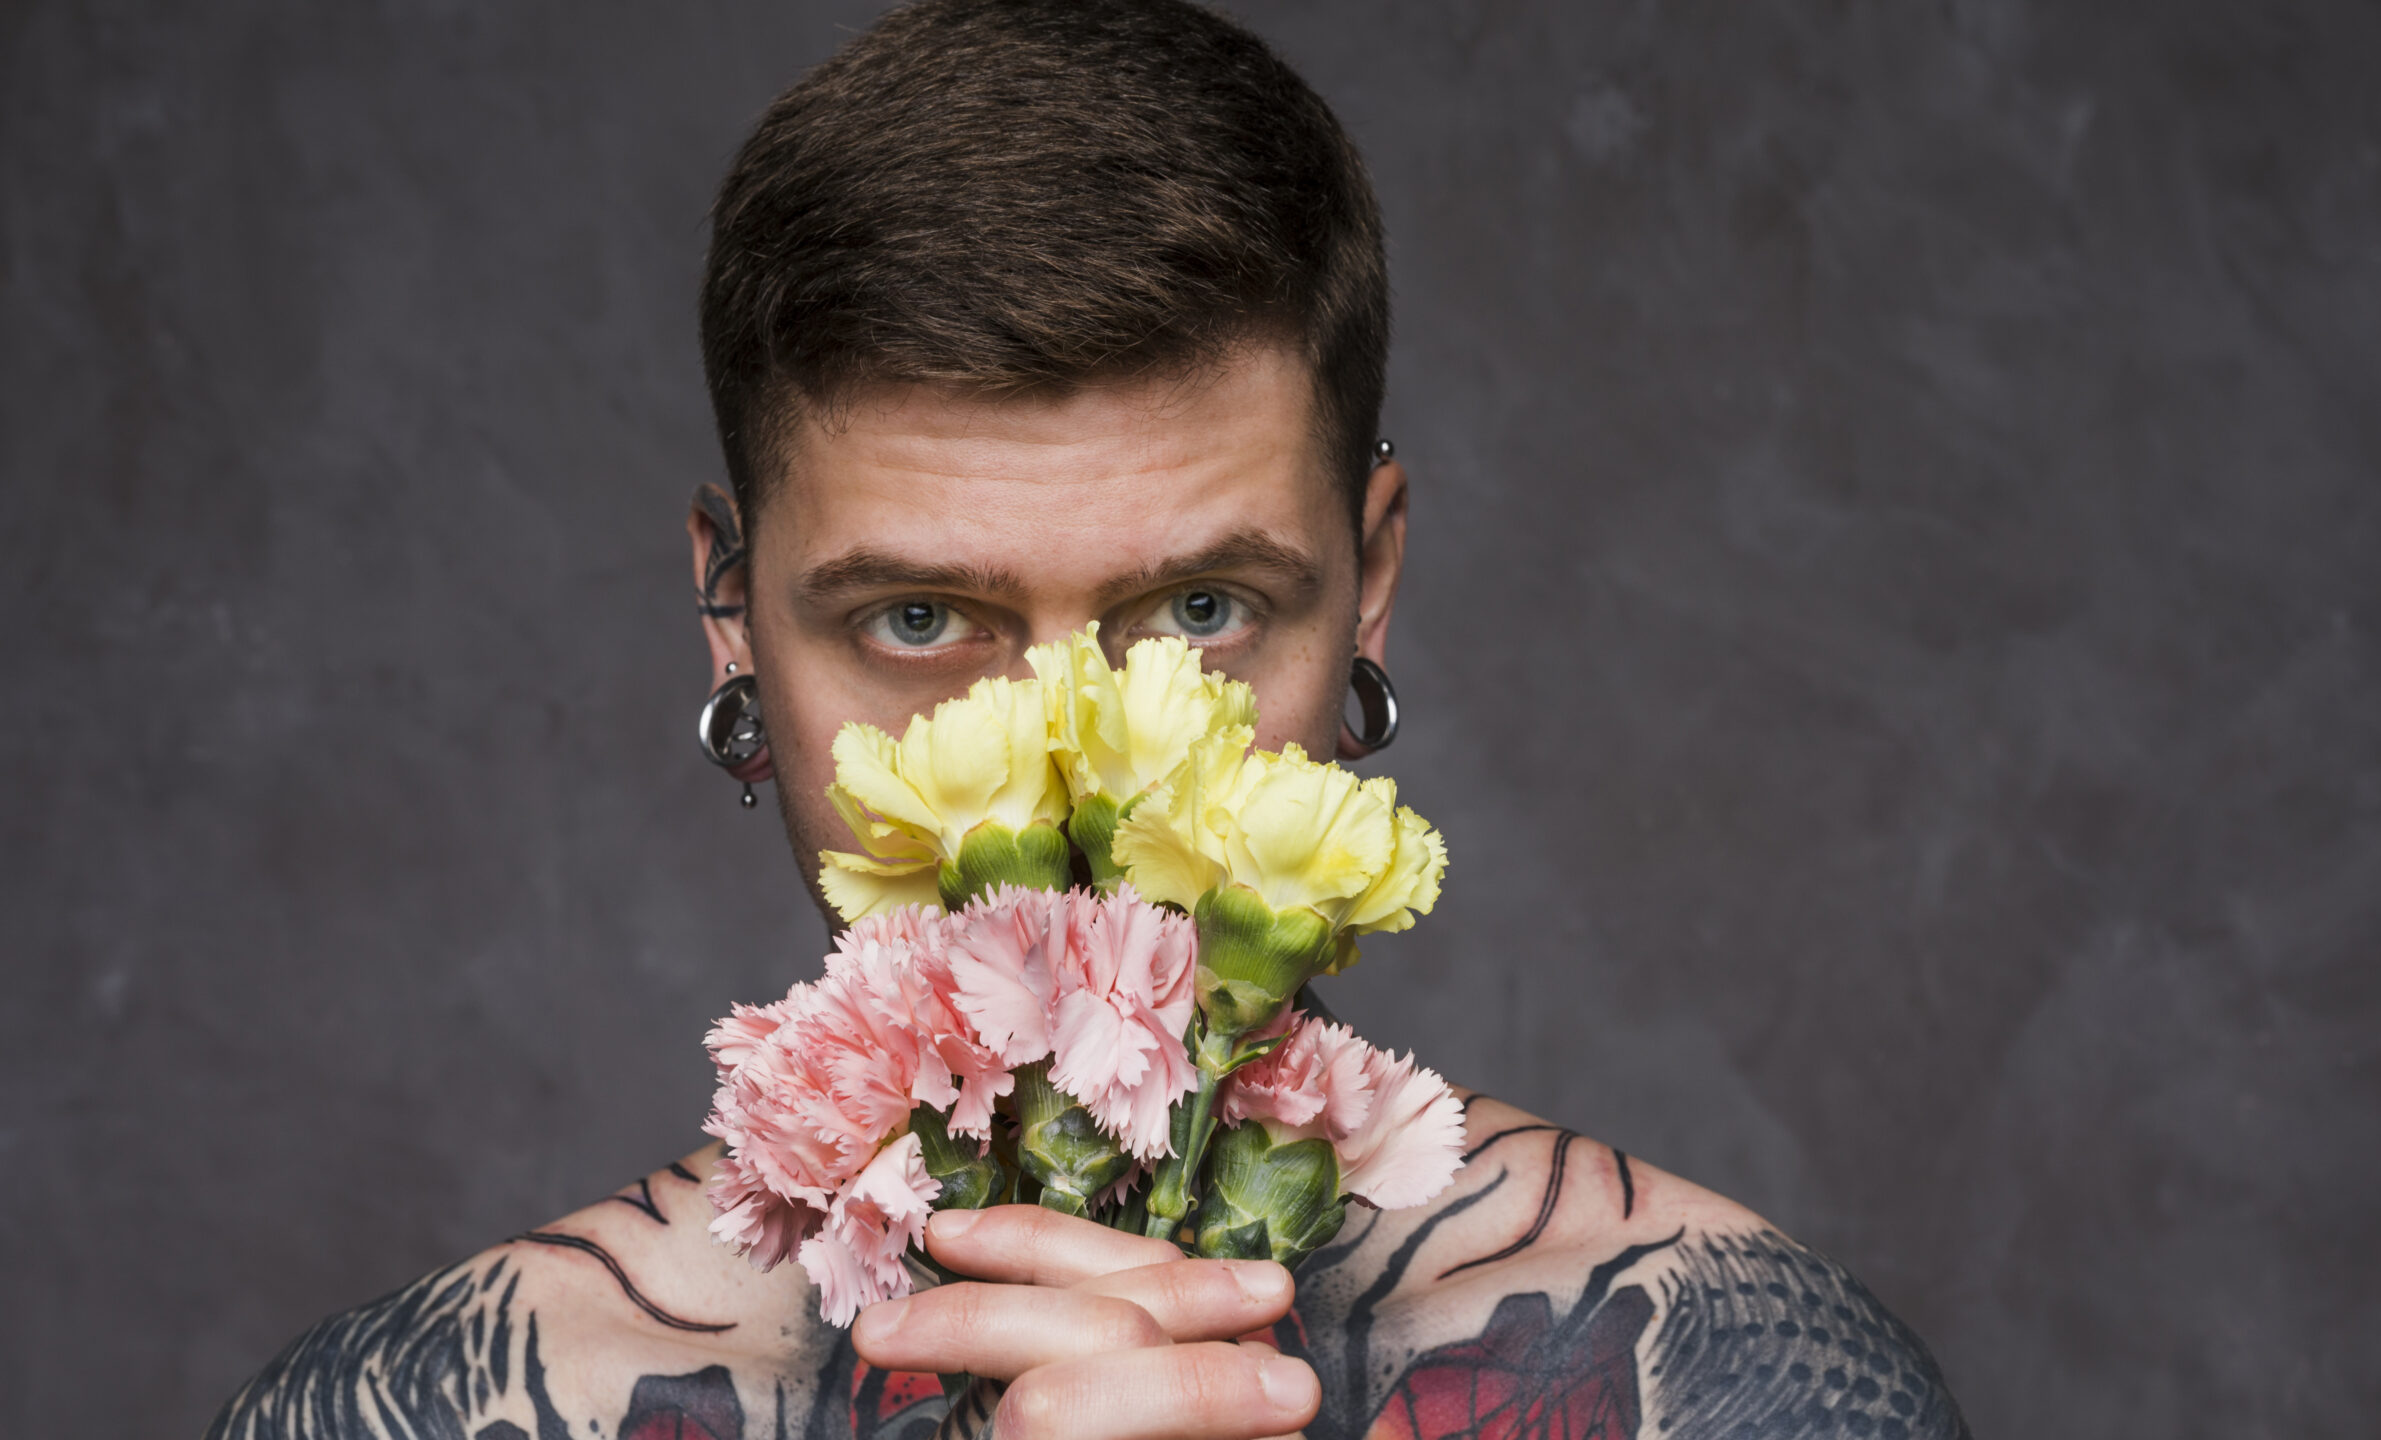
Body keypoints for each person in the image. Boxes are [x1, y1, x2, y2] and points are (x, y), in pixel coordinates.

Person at [208, 3, 1969, 1438]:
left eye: (1199, 613)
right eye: (916, 621)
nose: (1072, 775)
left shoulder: (1727, 1385)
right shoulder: (421, 1414)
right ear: (733, 624)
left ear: (1367, 585)